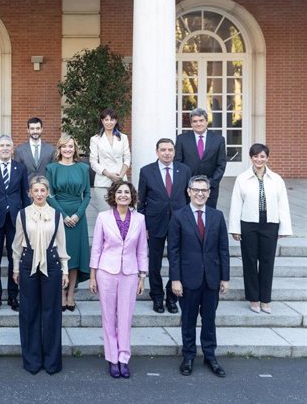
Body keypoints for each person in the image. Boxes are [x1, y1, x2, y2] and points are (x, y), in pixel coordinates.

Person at [168, 175, 230, 378]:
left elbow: (223, 249)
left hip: (212, 278)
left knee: (209, 320)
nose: (200, 193)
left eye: (204, 190)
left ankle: (210, 356)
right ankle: (188, 356)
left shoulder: (217, 216)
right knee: (188, 319)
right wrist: (175, 279)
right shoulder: (178, 216)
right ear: (189, 192)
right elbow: (173, 251)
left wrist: (225, 278)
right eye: (196, 190)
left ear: (209, 193)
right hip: (188, 278)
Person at [89, 181, 148, 379]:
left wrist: (142, 276)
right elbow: (96, 247)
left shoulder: (140, 219)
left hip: (130, 273)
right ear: (113, 196)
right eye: (119, 192)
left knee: (125, 317)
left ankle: (124, 358)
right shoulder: (103, 217)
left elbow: (142, 250)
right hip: (106, 271)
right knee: (109, 317)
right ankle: (112, 358)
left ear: (132, 196)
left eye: (127, 192)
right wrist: (92, 276)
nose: (123, 195)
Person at [12, 176, 69, 375]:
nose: (39, 194)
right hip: (28, 263)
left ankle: (52, 361)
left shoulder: (55, 215)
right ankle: (32, 360)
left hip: (52, 263)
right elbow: (17, 244)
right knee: (29, 312)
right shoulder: (23, 214)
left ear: (47, 192)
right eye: (35, 191)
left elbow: (61, 243)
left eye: (42, 190)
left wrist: (65, 270)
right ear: (30, 193)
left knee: (51, 312)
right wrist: (16, 269)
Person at [229, 143, 292, 314]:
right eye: (255, 156)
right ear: (251, 158)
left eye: (262, 156)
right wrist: (235, 228)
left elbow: (282, 204)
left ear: (267, 158)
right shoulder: (242, 178)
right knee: (249, 261)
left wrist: (284, 228)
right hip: (248, 223)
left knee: (267, 262)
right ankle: (254, 299)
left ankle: (265, 299)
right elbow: (236, 204)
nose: (259, 159)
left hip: (270, 224)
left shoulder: (276, 179)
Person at [137, 138, 191, 314]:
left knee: (179, 259)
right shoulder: (146, 171)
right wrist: (143, 224)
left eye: (170, 149)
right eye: (163, 150)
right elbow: (141, 200)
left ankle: (172, 297)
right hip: (154, 222)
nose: (167, 153)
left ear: (174, 151)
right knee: (154, 262)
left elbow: (188, 198)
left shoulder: (184, 170)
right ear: (157, 152)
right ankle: (157, 296)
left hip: (179, 222)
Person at [0, 135, 30, 312]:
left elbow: (25, 195)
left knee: (13, 257)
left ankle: (12, 296)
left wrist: (27, 217)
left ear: (12, 148)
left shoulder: (20, 168)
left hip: (15, 219)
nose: (5, 148)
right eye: (1, 145)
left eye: (8, 145)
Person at [46, 135, 91, 311]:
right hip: (58, 215)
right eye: (64, 146)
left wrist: (78, 215)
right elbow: (50, 195)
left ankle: (70, 294)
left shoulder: (83, 168)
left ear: (75, 148)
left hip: (78, 217)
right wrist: (63, 215)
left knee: (74, 257)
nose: (67, 149)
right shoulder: (52, 168)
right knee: (59, 255)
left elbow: (87, 194)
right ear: (59, 149)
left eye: (70, 146)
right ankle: (60, 294)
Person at [174, 108, 227, 208]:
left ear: (207, 122)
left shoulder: (218, 140)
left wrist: (210, 183)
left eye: (201, 120)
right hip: (188, 188)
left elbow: (221, 164)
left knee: (209, 218)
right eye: (195, 121)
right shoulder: (181, 139)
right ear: (191, 123)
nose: (198, 124)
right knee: (188, 218)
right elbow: (178, 163)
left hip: (209, 188)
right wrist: (187, 184)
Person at [89, 109, 131, 212]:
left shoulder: (123, 138)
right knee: (105, 214)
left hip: (120, 180)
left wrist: (120, 176)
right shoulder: (95, 139)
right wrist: (109, 175)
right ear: (102, 121)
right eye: (106, 119)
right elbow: (93, 162)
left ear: (116, 121)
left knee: (121, 212)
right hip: (103, 181)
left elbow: (127, 158)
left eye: (112, 119)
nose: (109, 122)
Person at [14, 117, 56, 182]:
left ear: (42, 129)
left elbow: (54, 173)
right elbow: (17, 174)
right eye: (32, 129)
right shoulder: (19, 151)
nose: (35, 131)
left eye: (38, 128)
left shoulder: (51, 150)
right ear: (28, 130)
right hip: (27, 189)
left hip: (45, 189)